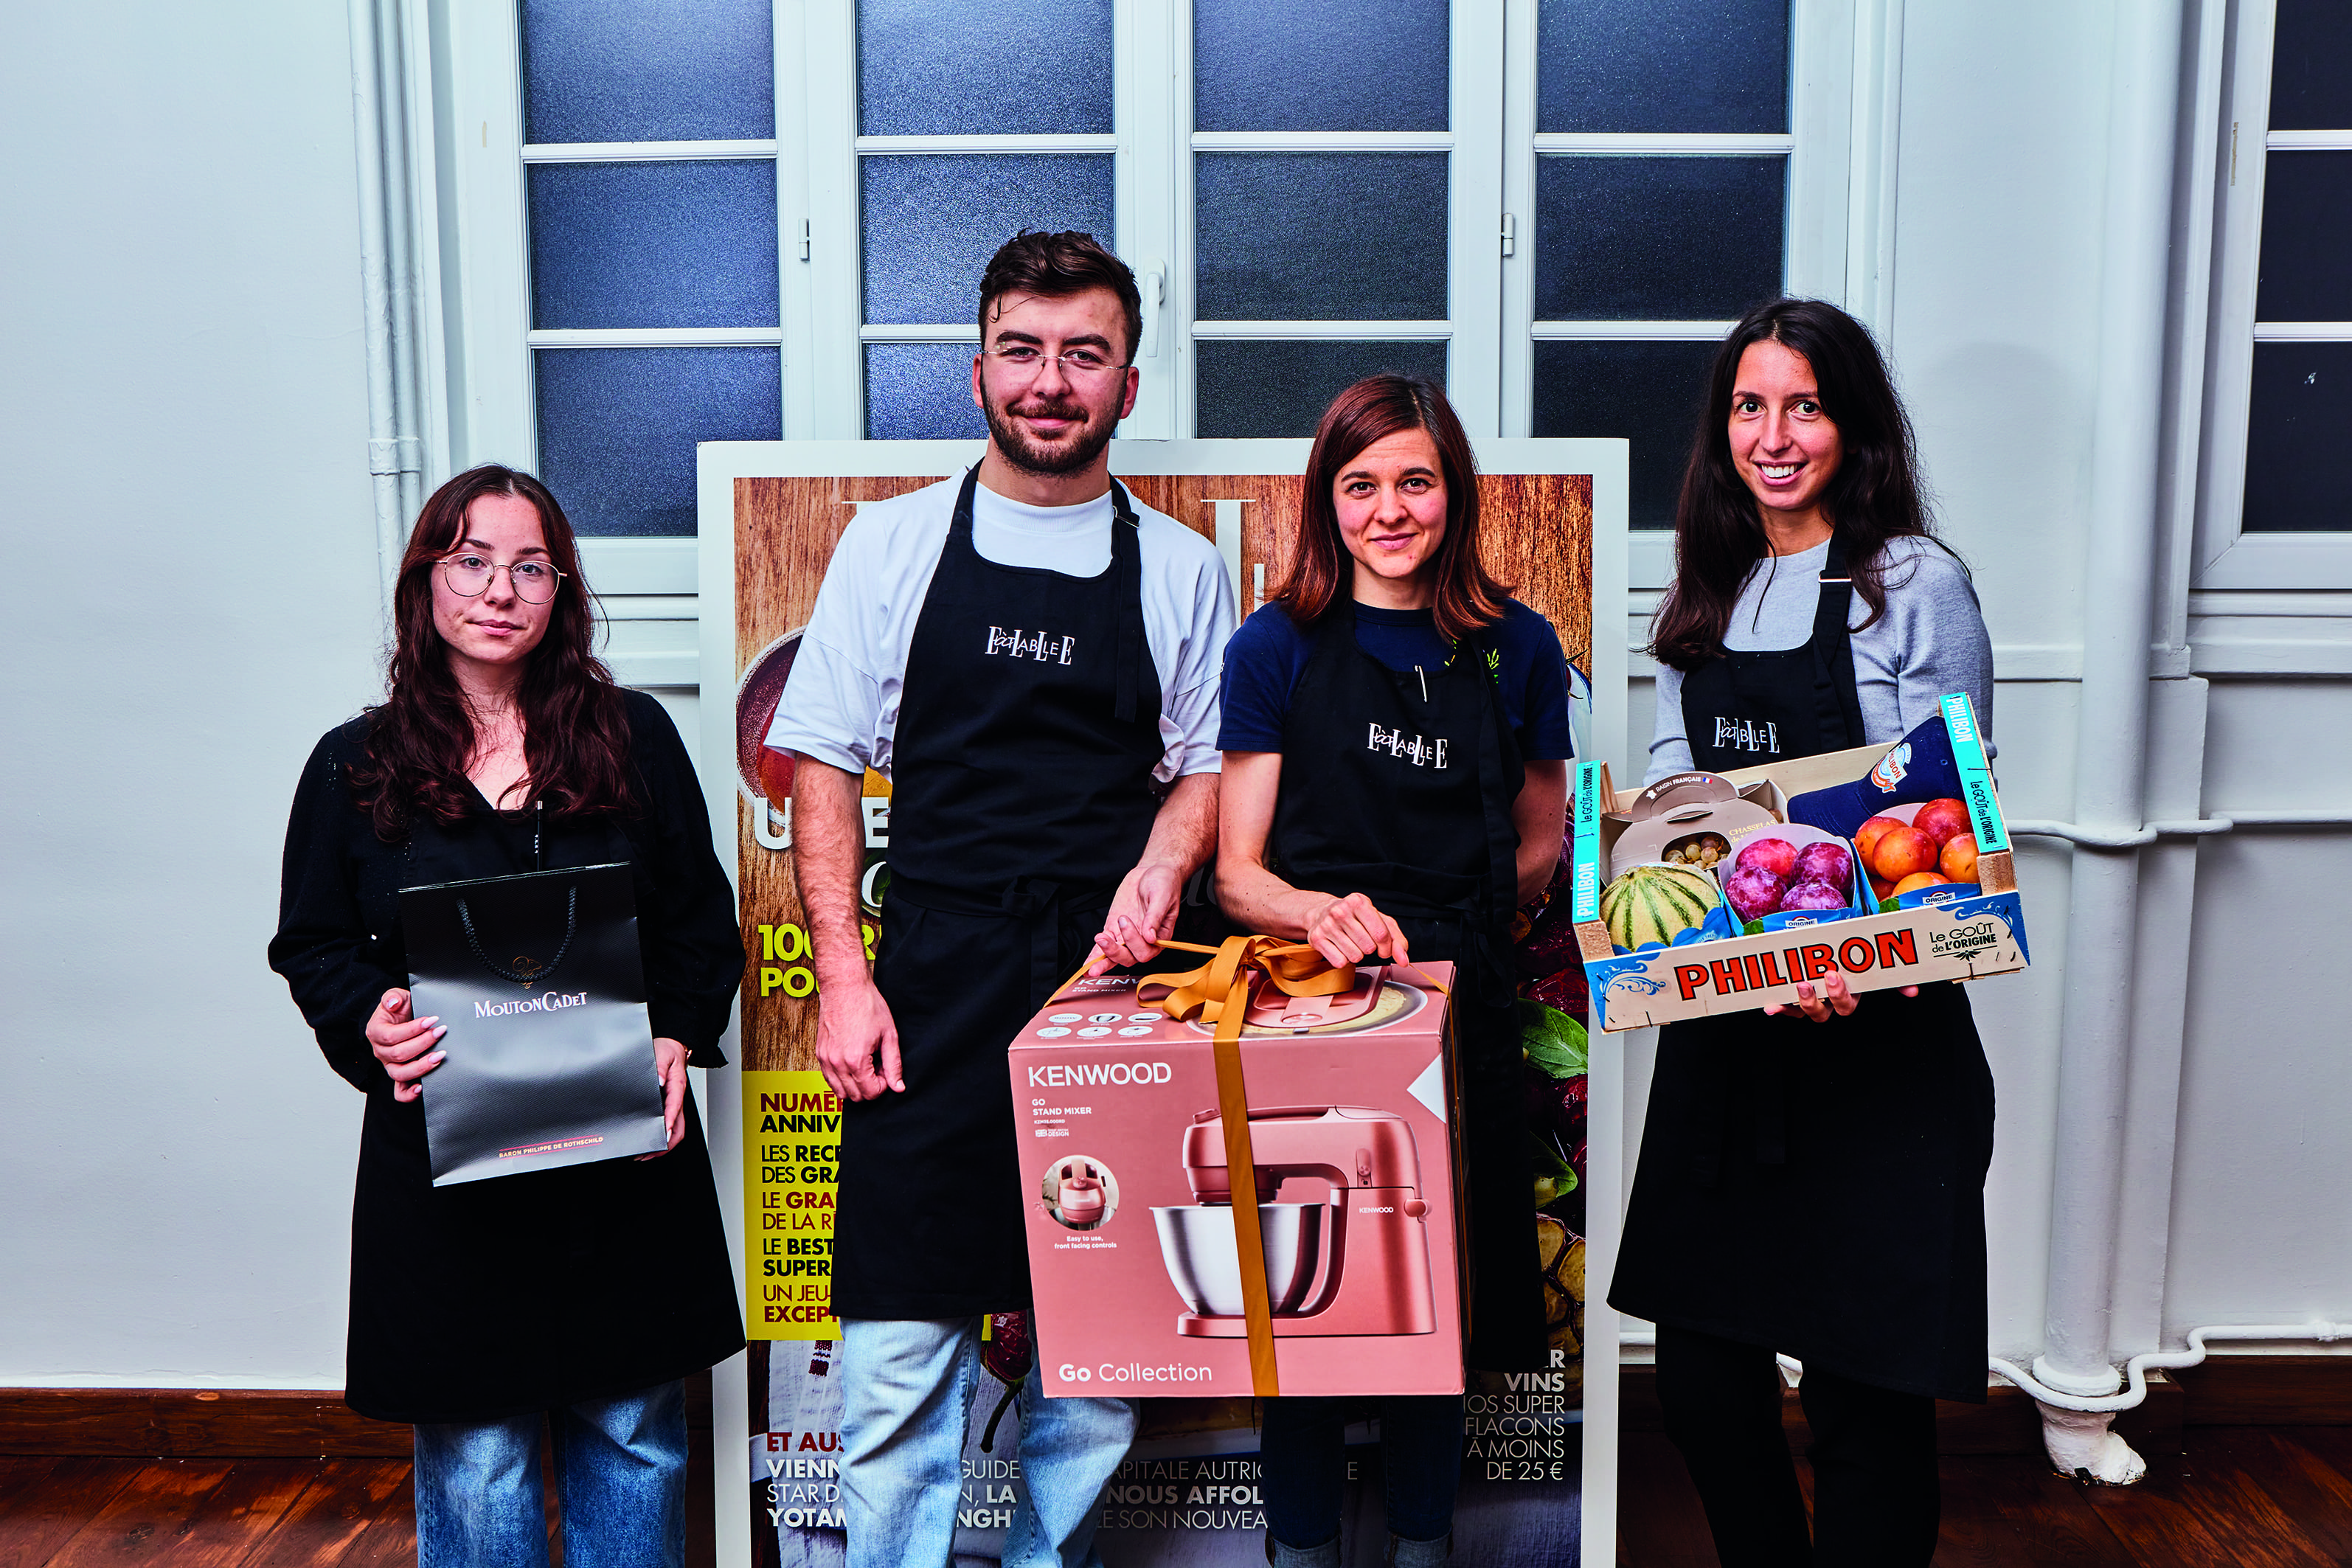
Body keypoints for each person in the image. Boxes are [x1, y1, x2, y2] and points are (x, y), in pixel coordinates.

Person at [766, 229, 1236, 1568]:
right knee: (896, 1357)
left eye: (1082, 354)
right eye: (1022, 352)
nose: (1050, 381)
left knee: (1097, 1364)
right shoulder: (892, 542)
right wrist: (846, 984)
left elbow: (1203, 772)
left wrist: (1162, 865)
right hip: (931, 990)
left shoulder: (1183, 570)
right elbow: (825, 768)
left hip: (1110, 993)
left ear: (1127, 386)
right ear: (978, 372)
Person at [269, 465, 745, 1568]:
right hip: (448, 1164)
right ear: (427, 582)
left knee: (633, 1435)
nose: (500, 588)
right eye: (472, 561)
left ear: (562, 590)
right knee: (478, 1451)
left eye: (531, 566)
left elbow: (700, 926)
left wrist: (676, 1032)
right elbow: (314, 945)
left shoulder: (633, 737)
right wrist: (368, 1022)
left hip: (622, 1154)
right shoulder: (353, 763)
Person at [1609, 297, 1997, 1567]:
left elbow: (1953, 804)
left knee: (1863, 1399)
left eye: (1806, 405)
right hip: (1732, 1037)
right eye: (1750, 406)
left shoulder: (1910, 582)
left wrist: (1849, 958)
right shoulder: (1704, 597)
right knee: (1706, 1384)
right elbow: (1681, 805)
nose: (1775, 435)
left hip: (1885, 1048)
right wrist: (1659, 887)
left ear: (1854, 423)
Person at [1215, 375, 1573, 1568]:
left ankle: (1427, 1546)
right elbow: (1236, 870)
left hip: (1460, 1009)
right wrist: (1321, 915)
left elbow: (1543, 838)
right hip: (1311, 1010)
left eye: (1414, 479)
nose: (1389, 508)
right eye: (1360, 483)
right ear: (1328, 499)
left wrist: (1454, 932)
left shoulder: (1516, 647)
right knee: (1306, 1293)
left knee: (1436, 1304)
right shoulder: (1275, 647)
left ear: (1452, 491)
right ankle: (1300, 1548)